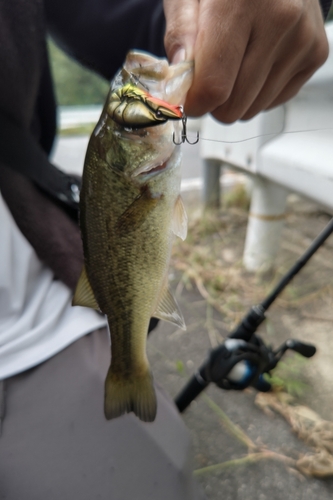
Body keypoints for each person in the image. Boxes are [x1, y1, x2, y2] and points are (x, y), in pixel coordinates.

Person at [0, 0, 331, 498]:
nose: (135, 99)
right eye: (128, 113)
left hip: (31, 317)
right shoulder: (138, 171)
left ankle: (125, 366)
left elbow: (148, 23)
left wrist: (209, 22)